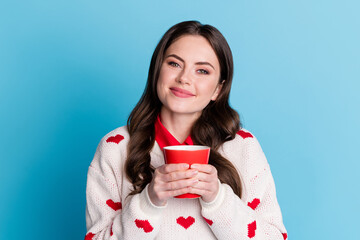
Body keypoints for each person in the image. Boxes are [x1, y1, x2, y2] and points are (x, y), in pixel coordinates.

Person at [85, 20, 287, 240]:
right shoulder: (115, 147)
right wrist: (149, 201)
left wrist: (217, 198)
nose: (184, 78)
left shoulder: (242, 146)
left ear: (218, 89)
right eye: (174, 64)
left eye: (202, 70)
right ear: (157, 71)